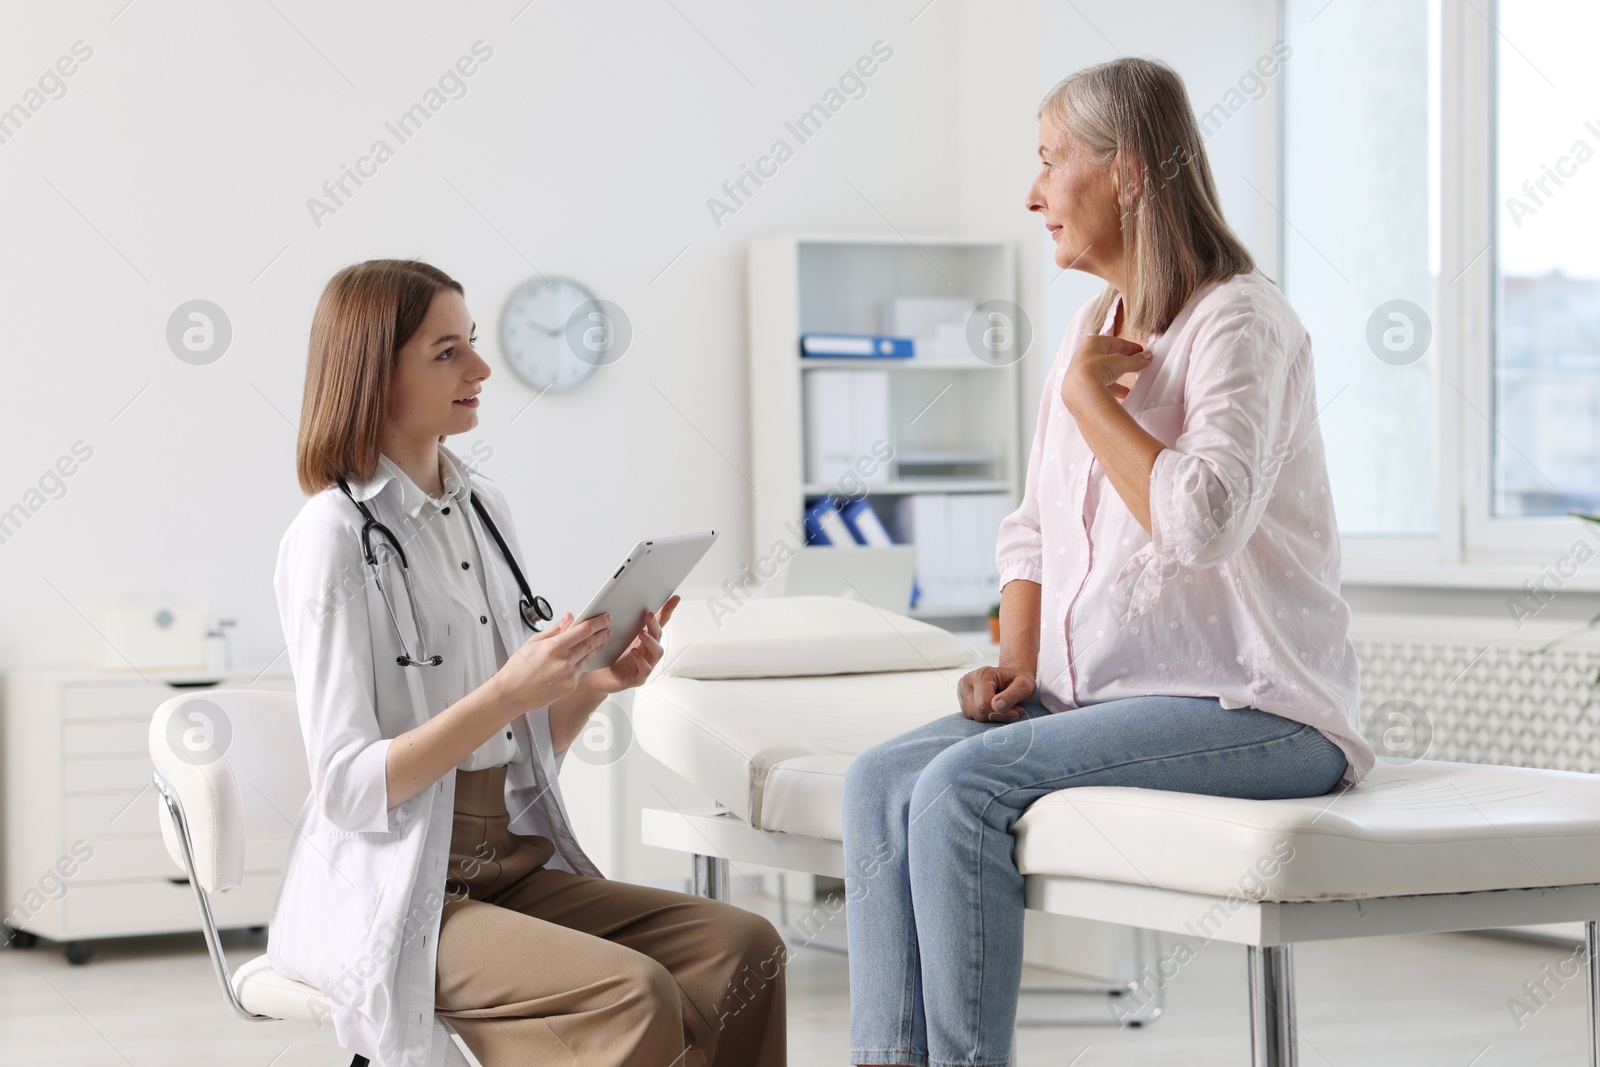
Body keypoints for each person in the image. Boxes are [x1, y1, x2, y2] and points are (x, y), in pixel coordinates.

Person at [842, 57, 1376, 1067]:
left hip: (1255, 707)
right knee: (878, 779)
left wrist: (1095, 406)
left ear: (1126, 172)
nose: (1032, 193)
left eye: (1050, 162)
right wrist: (1016, 655)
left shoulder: (1238, 321)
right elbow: (1033, 528)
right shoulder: (1089, 331)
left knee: (958, 789)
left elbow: (1203, 523)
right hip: (1098, 694)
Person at [270, 259, 786, 1067]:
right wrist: (507, 690)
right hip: (399, 893)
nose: (479, 369)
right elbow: (344, 787)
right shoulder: (332, 537)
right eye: (447, 353)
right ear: (375, 369)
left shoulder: (482, 509)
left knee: (743, 946)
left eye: (472, 345)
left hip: (503, 864)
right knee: (631, 991)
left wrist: (590, 685)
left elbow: (518, 741)